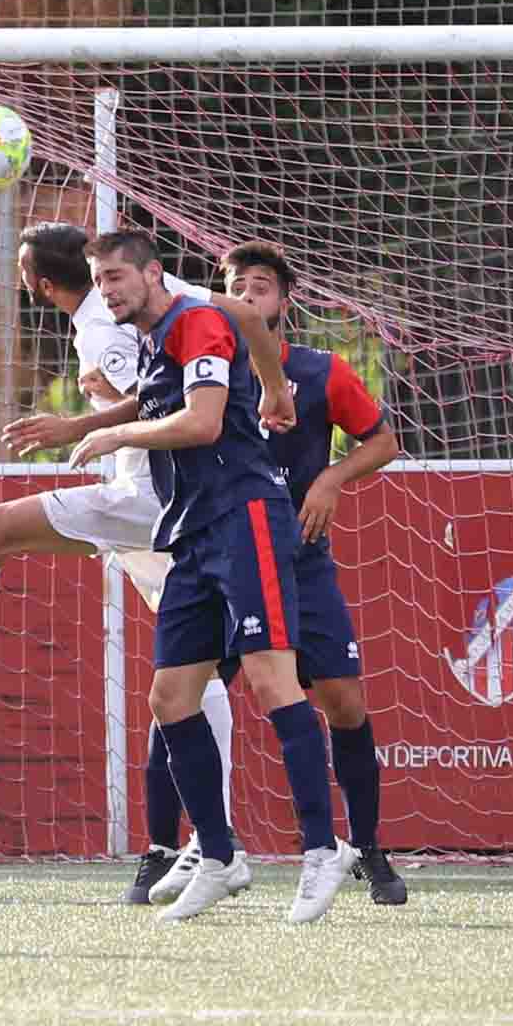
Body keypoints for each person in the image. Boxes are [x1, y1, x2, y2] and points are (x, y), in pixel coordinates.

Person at [0, 223, 291, 902]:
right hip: (176, 499)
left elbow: (176, 400)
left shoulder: (105, 329)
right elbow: (244, 313)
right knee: (189, 669)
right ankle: (214, 840)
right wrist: (275, 388)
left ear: (37, 283)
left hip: (152, 494)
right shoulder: (165, 293)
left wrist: (80, 428)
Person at [66, 231, 333, 924]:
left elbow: (206, 422)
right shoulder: (160, 340)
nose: (109, 290)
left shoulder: (196, 319)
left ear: (156, 274)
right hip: (189, 530)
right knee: (170, 697)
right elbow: (240, 337)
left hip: (245, 519)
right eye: (99, 281)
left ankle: (322, 853)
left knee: (274, 679)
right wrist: (273, 385)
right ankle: (218, 856)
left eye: (119, 276)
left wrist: (114, 435)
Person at [217, 241, 406, 915]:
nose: (247, 295)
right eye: (236, 285)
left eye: (260, 286)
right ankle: (193, 849)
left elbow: (384, 440)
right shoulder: (205, 373)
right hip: (226, 558)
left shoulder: (321, 371)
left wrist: (330, 477)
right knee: (179, 694)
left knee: (344, 702)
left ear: (284, 302)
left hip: (300, 557)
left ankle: (368, 845)